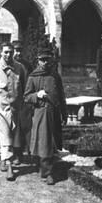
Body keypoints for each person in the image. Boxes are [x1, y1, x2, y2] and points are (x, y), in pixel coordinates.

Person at [23, 47, 67, 185]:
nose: (45, 63)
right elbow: (26, 97)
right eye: (42, 60)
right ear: (38, 61)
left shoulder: (55, 76)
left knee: (51, 142)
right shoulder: (32, 77)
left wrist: (64, 113)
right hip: (40, 113)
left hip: (53, 113)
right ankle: (47, 172)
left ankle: (44, 165)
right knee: (44, 142)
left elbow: (61, 96)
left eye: (47, 59)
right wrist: (37, 95)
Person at [0, 42, 27, 181]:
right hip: (1, 109)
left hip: (16, 109)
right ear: (0, 53)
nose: (8, 55)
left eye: (10, 52)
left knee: (13, 137)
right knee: (6, 138)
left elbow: (25, 88)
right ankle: (10, 166)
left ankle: (3, 159)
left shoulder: (20, 68)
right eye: (5, 52)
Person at [12, 40, 33, 163]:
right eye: (15, 50)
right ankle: (17, 154)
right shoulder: (10, 65)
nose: (17, 53)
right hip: (13, 101)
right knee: (15, 130)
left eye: (19, 50)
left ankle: (29, 153)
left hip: (25, 102)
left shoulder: (27, 65)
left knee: (25, 128)